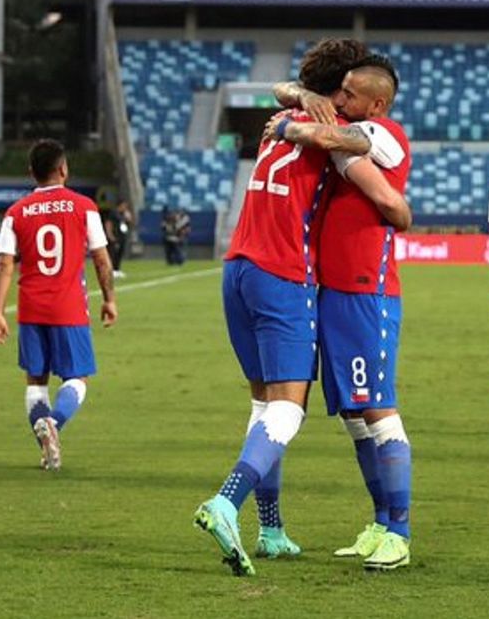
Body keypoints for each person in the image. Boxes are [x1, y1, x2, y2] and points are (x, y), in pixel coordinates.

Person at [193, 39, 408, 577]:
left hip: (237, 269)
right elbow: (387, 200)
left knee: (267, 406)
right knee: (289, 409)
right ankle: (226, 502)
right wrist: (401, 210)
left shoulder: (292, 117)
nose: (345, 96)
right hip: (285, 275)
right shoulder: (329, 134)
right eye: (344, 89)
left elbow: (289, 98)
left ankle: (271, 529)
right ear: (336, 94)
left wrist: (291, 112)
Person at [271, 55, 415, 570]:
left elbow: (347, 148)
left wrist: (295, 124)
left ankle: (399, 532)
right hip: (332, 291)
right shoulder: (344, 124)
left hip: (365, 292)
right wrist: (298, 98)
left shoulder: (385, 134)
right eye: (338, 92)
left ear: (376, 103)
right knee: (355, 414)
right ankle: (379, 522)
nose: (340, 101)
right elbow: (284, 91)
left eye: (350, 95)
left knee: (378, 407)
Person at [0, 139, 117, 471]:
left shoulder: (15, 213)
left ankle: (47, 452)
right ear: (64, 169)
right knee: (77, 379)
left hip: (30, 308)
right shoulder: (84, 206)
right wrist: (109, 299)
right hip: (68, 307)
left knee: (36, 381)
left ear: (31, 172)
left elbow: (4, 265)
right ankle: (55, 424)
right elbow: (101, 260)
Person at [104, 200, 133, 278]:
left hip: (122, 236)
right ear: (120, 205)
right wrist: (110, 235)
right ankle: (111, 270)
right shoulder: (113, 213)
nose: (125, 207)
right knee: (114, 253)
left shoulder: (123, 214)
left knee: (120, 253)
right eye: (124, 205)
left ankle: (117, 269)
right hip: (115, 236)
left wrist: (128, 216)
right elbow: (108, 224)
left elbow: (129, 222)